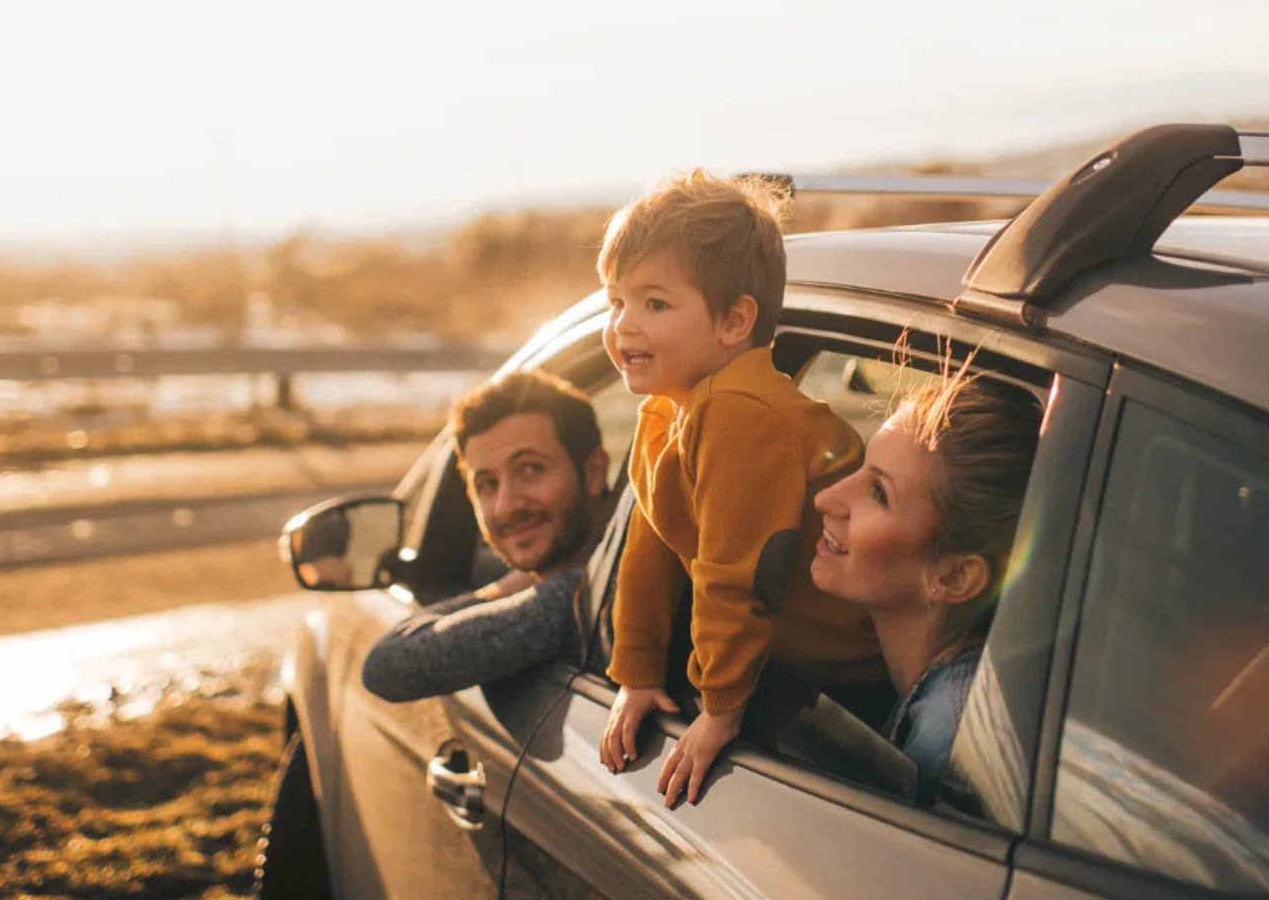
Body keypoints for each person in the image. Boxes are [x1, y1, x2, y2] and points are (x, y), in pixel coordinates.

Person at [595, 171, 883, 808]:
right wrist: (638, 673)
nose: (624, 326)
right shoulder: (670, 411)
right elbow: (651, 548)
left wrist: (720, 708)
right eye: (615, 302)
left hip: (853, 674)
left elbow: (735, 572)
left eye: (654, 304)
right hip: (795, 665)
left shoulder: (737, 413)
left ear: (733, 322)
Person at [810, 369, 1042, 799]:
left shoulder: (948, 742)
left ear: (954, 577)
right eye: (861, 467)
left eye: (878, 493)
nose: (826, 498)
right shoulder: (956, 694)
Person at [359, 370, 613, 702]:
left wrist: (505, 589)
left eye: (531, 469)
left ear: (593, 472)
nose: (507, 507)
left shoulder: (585, 596)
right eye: (488, 485)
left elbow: (387, 666)